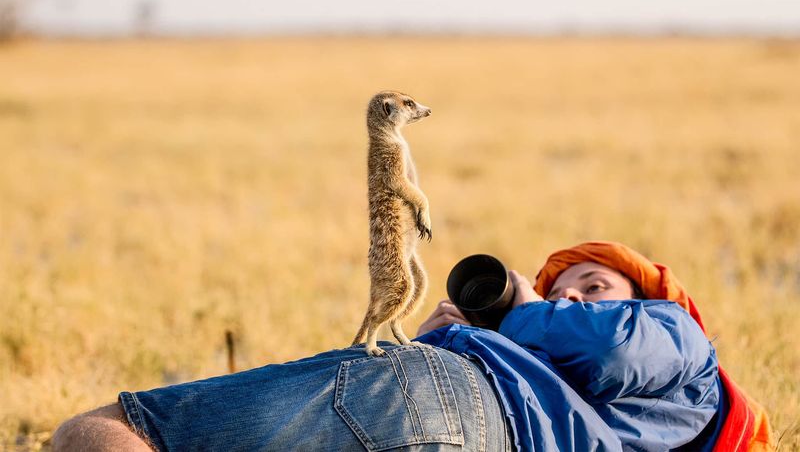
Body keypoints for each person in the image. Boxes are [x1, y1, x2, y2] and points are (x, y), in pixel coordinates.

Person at [52, 241, 774, 451]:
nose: (572, 298)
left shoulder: (679, 333)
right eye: (558, 290)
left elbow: (615, 354)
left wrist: (522, 315)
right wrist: (440, 337)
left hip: (464, 403)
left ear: (652, 296)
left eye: (595, 286)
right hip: (445, 402)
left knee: (116, 431)